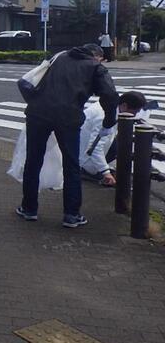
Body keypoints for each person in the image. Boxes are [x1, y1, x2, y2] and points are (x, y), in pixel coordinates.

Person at [17, 43, 119, 228]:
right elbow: (110, 95)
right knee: (72, 164)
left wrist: (35, 102)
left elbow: (33, 79)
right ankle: (71, 215)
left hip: (38, 114)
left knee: (33, 161)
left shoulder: (60, 56)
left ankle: (28, 209)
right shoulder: (95, 67)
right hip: (68, 118)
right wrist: (109, 123)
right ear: (97, 56)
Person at [80, 91, 148, 187]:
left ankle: (94, 169)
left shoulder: (110, 106)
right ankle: (87, 170)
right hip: (84, 155)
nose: (135, 115)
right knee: (118, 147)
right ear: (124, 105)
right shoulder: (103, 115)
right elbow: (94, 147)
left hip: (83, 147)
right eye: (134, 112)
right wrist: (106, 172)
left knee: (119, 144)